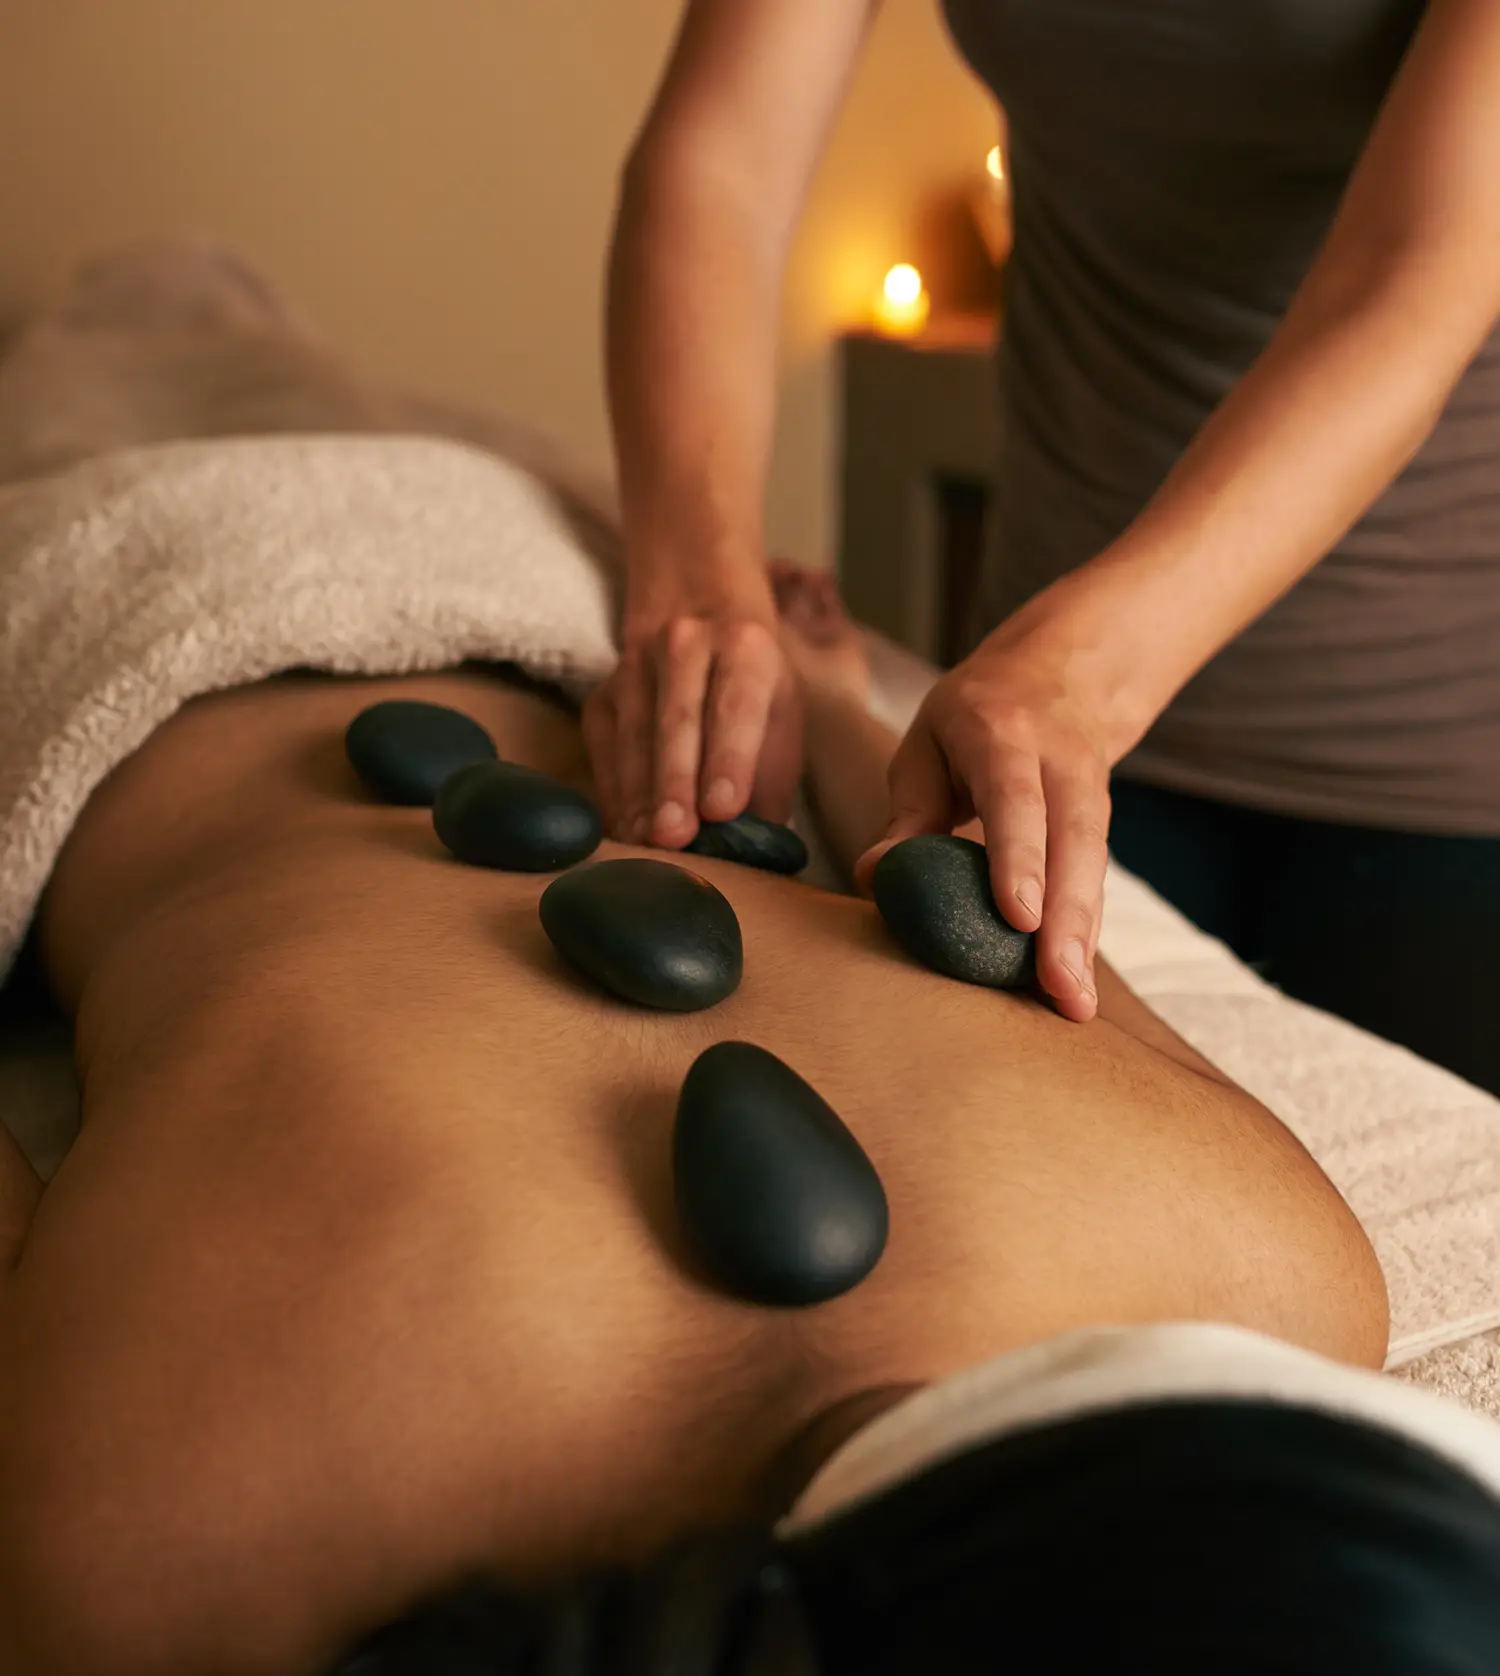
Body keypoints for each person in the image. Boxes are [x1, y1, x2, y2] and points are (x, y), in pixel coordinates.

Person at [0, 251, 1393, 1672]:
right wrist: (832, 698)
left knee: (113, 335)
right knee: (234, 338)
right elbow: (978, 875)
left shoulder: (160, 1563)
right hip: (572, 614)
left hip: (128, 598)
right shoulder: (147, 1563)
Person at [594, 0, 1500, 1094]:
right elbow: (721, 165)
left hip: (1443, 735)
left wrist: (1076, 671)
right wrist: (699, 585)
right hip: (1055, 683)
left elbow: (1415, 268)